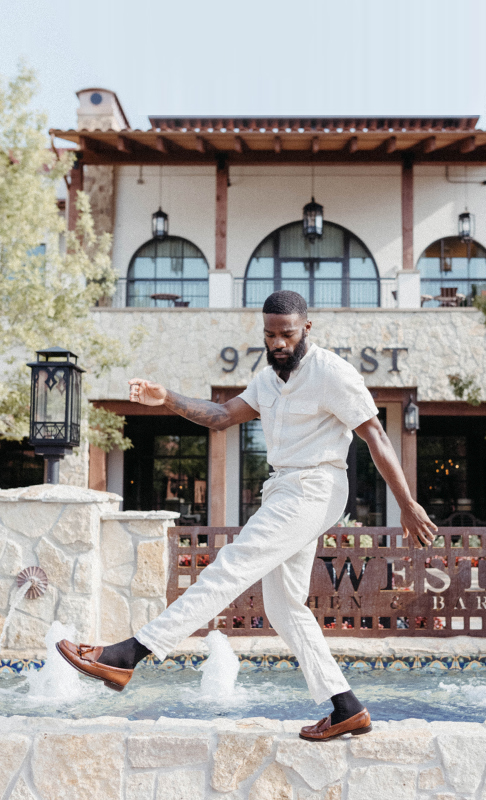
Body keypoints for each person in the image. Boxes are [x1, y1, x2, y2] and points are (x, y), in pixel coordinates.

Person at [57, 290, 436, 741]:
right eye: (270, 334)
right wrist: (167, 398)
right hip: (284, 488)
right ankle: (346, 708)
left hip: (315, 486)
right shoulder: (266, 381)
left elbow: (376, 435)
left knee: (232, 566)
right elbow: (221, 416)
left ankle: (129, 655)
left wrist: (407, 504)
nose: (278, 343)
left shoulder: (332, 373)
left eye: (287, 334)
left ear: (306, 328)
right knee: (284, 606)